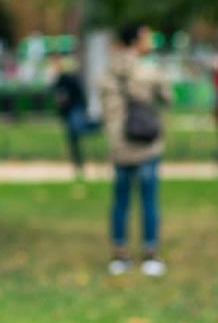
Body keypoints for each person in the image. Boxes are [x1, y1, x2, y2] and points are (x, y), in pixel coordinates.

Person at [98, 23, 171, 276]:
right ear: (137, 40)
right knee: (148, 200)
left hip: (119, 145)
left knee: (120, 201)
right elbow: (167, 97)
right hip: (145, 145)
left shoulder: (108, 70)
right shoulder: (148, 70)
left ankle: (119, 254)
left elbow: (105, 105)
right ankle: (150, 253)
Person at [50, 52, 88, 179]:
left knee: (75, 136)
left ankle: (79, 163)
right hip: (70, 111)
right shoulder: (61, 77)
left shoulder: (67, 77)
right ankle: (78, 164)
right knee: (73, 139)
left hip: (74, 110)